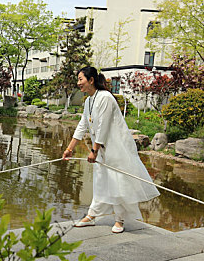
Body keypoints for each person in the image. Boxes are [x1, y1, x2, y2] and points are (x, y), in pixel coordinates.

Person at [62, 66, 160, 233]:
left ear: (91, 80)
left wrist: (93, 150)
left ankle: (120, 220)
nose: (78, 83)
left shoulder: (105, 97)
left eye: (80, 79)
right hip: (101, 149)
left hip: (116, 149)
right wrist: (70, 148)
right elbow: (83, 125)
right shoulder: (88, 101)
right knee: (100, 181)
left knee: (118, 183)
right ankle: (93, 215)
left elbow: (103, 127)